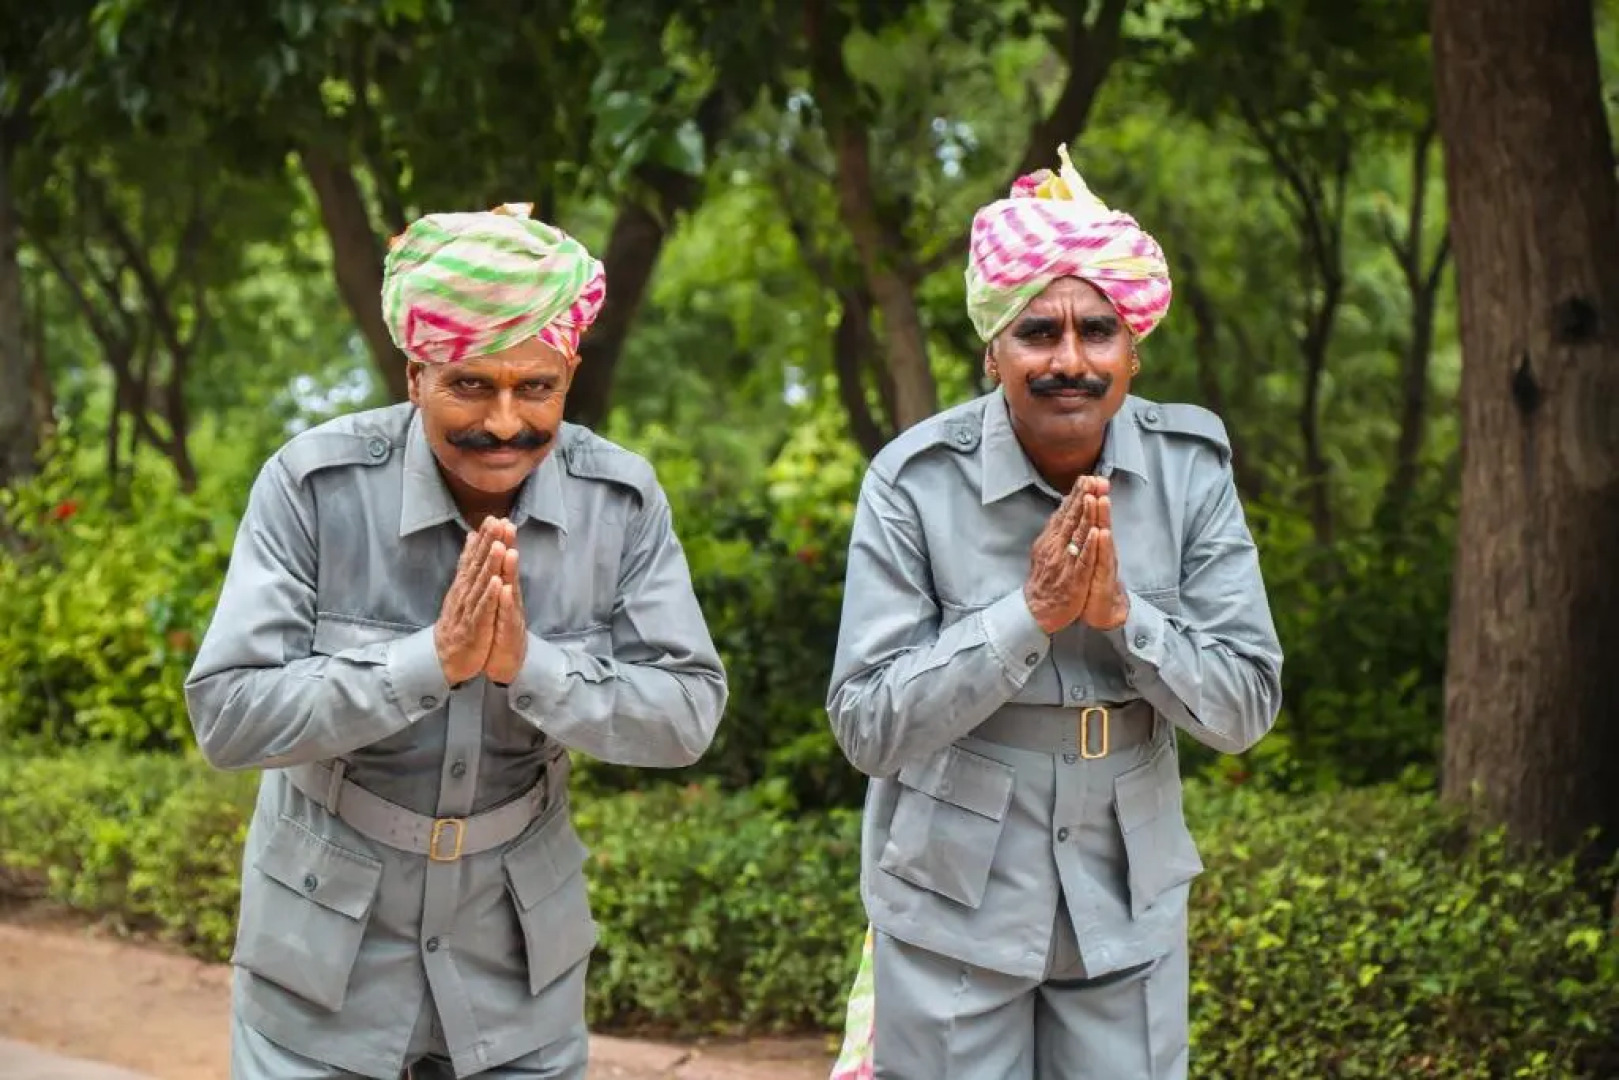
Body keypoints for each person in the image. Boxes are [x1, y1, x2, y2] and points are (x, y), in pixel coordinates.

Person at [184, 203, 728, 1080]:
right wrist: (424, 663)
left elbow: (687, 715)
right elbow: (228, 716)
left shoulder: (619, 501)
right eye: (471, 385)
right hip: (322, 972)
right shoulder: (313, 484)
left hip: (517, 973)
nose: (505, 423)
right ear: (414, 375)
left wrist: (531, 668)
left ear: (571, 373)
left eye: (536, 388)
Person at [824, 148, 1284, 1079]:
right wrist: (1025, 616)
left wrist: (1124, 619)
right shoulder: (912, 482)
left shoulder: (1191, 467)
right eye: (1037, 332)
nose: (1069, 359)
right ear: (992, 348)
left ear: (1132, 346)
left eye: (1096, 331)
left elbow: (1244, 708)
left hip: (1129, 895)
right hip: (951, 898)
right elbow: (866, 724)